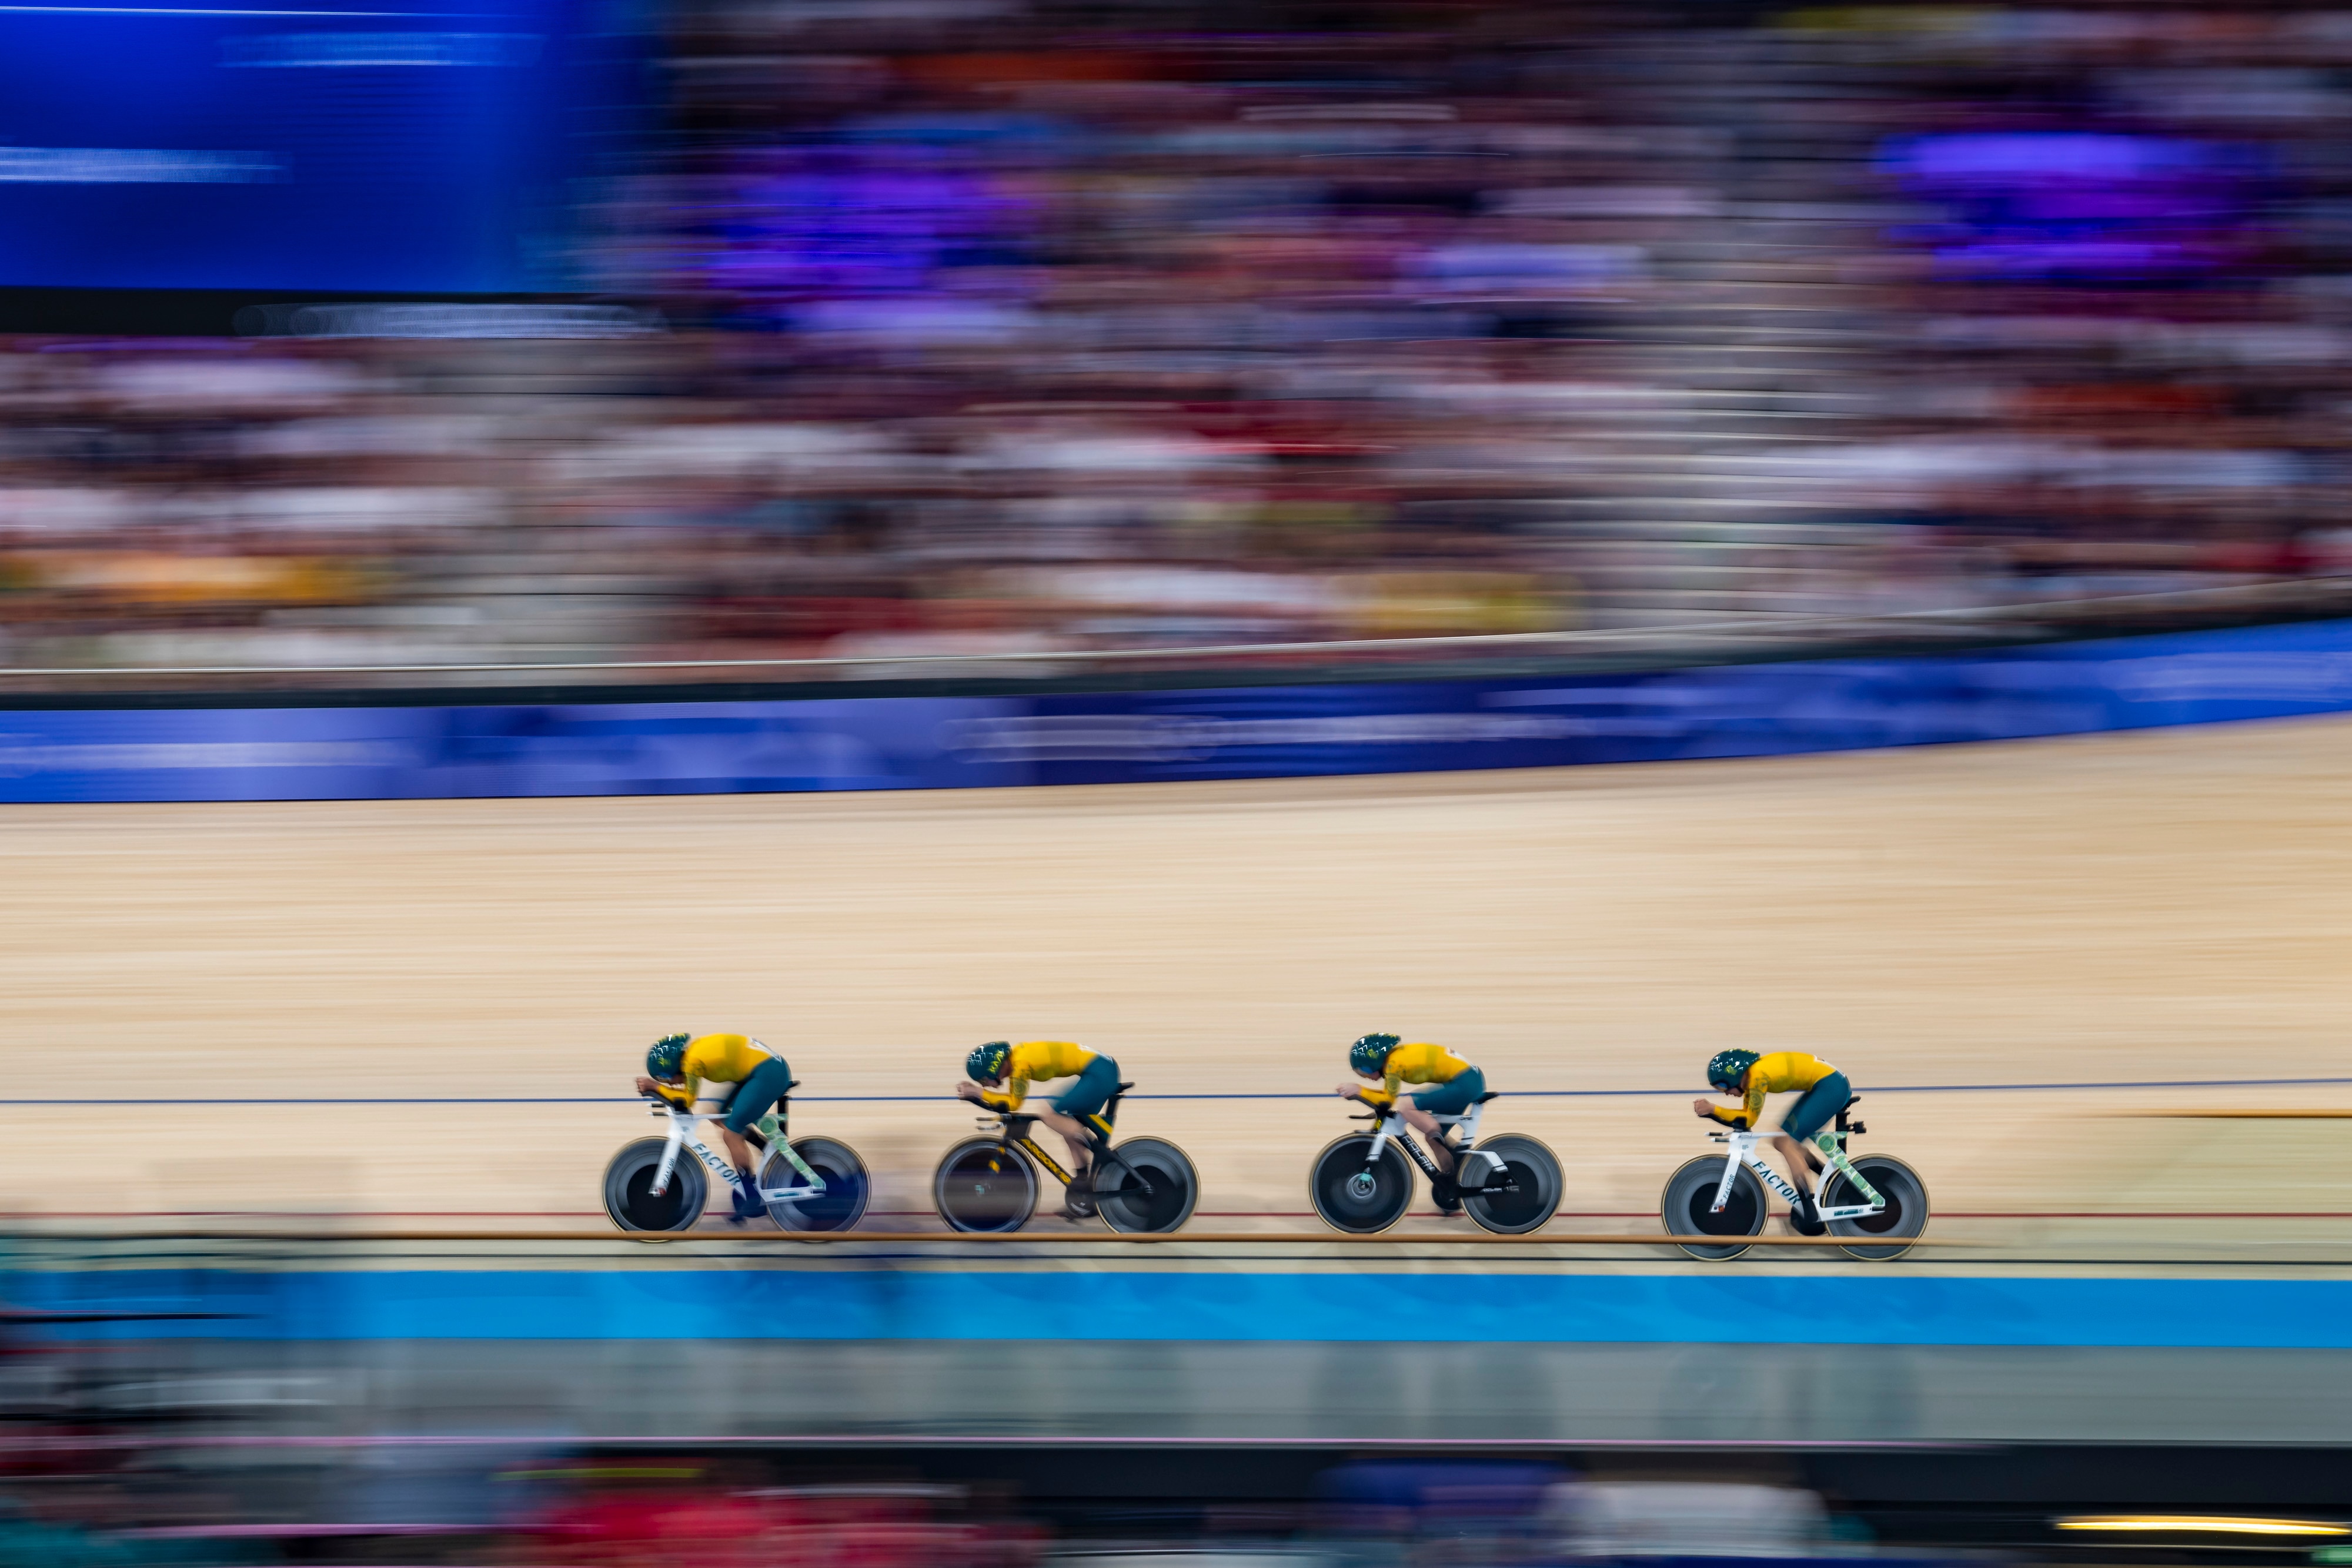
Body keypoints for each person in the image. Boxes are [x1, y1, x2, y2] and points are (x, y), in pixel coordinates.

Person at [634, 1031, 794, 1223]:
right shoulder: (693, 1053)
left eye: (667, 1079)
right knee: (716, 1113)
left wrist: (654, 1087)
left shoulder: (692, 1063)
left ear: (674, 1066)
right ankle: (768, 1150)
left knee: (731, 1135)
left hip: (766, 1073)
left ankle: (752, 1197)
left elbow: (687, 1100)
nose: (671, 1084)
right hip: (762, 1070)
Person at [955, 1039, 1121, 1220]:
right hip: (1101, 1069)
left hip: (1100, 1072)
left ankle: (1100, 1153)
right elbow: (1009, 1101)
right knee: (1068, 1127)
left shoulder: (1021, 1064)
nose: (984, 1085)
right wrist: (980, 1094)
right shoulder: (1018, 1059)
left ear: (993, 1067)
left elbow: (1014, 1104)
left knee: (1048, 1113)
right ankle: (1085, 1191)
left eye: (983, 1080)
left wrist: (977, 1093)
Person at [1692, 1049, 1852, 1232]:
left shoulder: (1758, 1076)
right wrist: (1713, 1113)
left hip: (1831, 1087)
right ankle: (1837, 1184)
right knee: (1781, 1140)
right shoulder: (1753, 1076)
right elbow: (1746, 1117)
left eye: (1722, 1086)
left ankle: (1810, 1211)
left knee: (1785, 1142)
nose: (1725, 1092)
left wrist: (1713, 1109)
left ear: (1734, 1074)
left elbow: (1750, 1119)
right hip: (1827, 1084)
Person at [1337, 1032, 1485, 1215]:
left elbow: (1388, 1100)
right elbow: (1385, 1097)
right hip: (1467, 1080)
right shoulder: (1395, 1058)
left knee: (1407, 1105)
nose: (1367, 1077)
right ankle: (1455, 1179)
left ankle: (1443, 1142)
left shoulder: (1393, 1063)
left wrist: (1359, 1090)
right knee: (1431, 1137)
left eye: (1366, 1071)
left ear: (1376, 1059)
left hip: (1464, 1082)